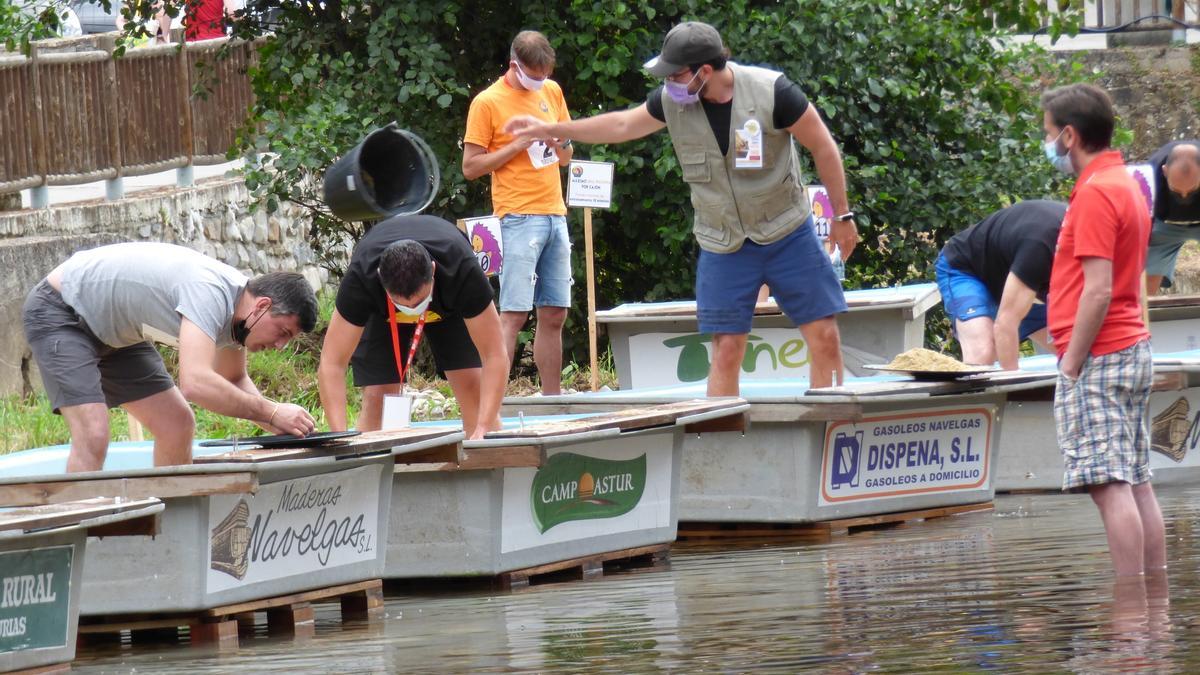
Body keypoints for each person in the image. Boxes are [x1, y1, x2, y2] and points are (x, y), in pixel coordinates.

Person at [504, 21, 855, 394]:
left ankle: (826, 430)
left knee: (824, 335)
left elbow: (823, 146)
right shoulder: (672, 101)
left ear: (704, 71)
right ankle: (719, 443)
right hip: (724, 242)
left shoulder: (774, 92)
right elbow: (622, 125)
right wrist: (550, 129)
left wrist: (842, 215)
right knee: (726, 348)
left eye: (675, 73)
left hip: (787, 231)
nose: (667, 81)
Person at [21, 242, 319, 473]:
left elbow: (233, 378)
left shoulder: (241, 315)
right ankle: (75, 537)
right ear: (263, 305)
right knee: (93, 433)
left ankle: (172, 531)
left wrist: (282, 425)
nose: (280, 345)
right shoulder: (210, 293)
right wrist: (271, 411)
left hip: (117, 335)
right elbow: (196, 383)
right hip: (62, 311)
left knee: (176, 423)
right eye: (282, 332)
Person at [1042, 83, 1165, 576]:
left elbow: (1097, 290)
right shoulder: (1127, 183)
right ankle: (1153, 613)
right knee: (1136, 481)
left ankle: (1130, 615)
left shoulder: (1096, 193)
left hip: (1099, 355)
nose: (1047, 142)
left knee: (1109, 485)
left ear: (1069, 135)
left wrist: (1071, 361)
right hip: (1131, 346)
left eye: (1048, 133)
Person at [317, 214, 507, 440]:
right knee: (379, 396)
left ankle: (484, 462)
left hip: (449, 304)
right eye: (402, 303)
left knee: (471, 386)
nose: (411, 309)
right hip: (382, 313)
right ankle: (369, 470)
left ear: (434, 270)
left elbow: (495, 354)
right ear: (380, 278)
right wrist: (339, 437)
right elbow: (331, 363)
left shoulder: (462, 269)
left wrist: (484, 426)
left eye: (418, 301)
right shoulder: (362, 277)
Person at [462, 30, 574, 395]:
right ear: (514, 65)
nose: (540, 83)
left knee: (555, 312)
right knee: (513, 314)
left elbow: (567, 157)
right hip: (517, 217)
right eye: (534, 76)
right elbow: (471, 167)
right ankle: (493, 403)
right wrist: (518, 144)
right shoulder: (487, 102)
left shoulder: (552, 92)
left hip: (555, 213)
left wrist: (560, 143)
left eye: (545, 76)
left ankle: (552, 399)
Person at [935, 200, 1067, 370]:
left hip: (1022, 280)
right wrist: (1010, 391)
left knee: (1076, 352)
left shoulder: (1097, 253)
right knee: (983, 354)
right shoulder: (1039, 248)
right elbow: (1006, 324)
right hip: (967, 270)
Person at [1144, 140, 1200, 294]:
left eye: (1192, 189)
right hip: (1164, 226)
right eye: (1176, 190)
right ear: (1165, 171)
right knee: (1146, 275)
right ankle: (1142, 314)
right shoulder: (1148, 174)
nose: (1184, 196)